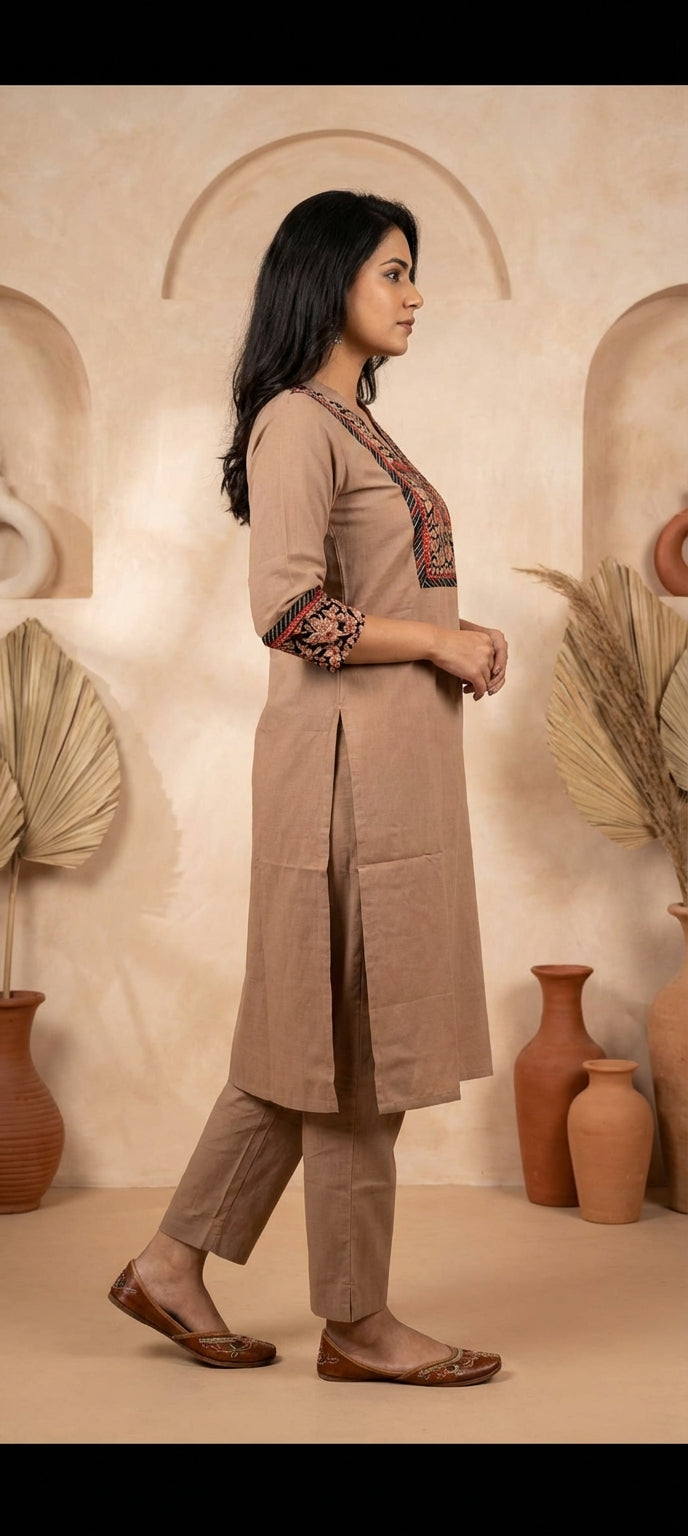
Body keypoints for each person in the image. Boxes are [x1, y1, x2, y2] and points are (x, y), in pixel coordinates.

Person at [109, 189, 508, 1387]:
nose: (415, 295)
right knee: (356, 1049)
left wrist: (456, 633)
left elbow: (374, 591)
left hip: (393, 777)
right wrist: (435, 642)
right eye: (393, 270)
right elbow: (287, 611)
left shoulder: (352, 421)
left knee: (315, 1036)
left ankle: (171, 1265)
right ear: (327, 279)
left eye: (412, 272)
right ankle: (358, 1322)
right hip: (344, 783)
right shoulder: (296, 420)